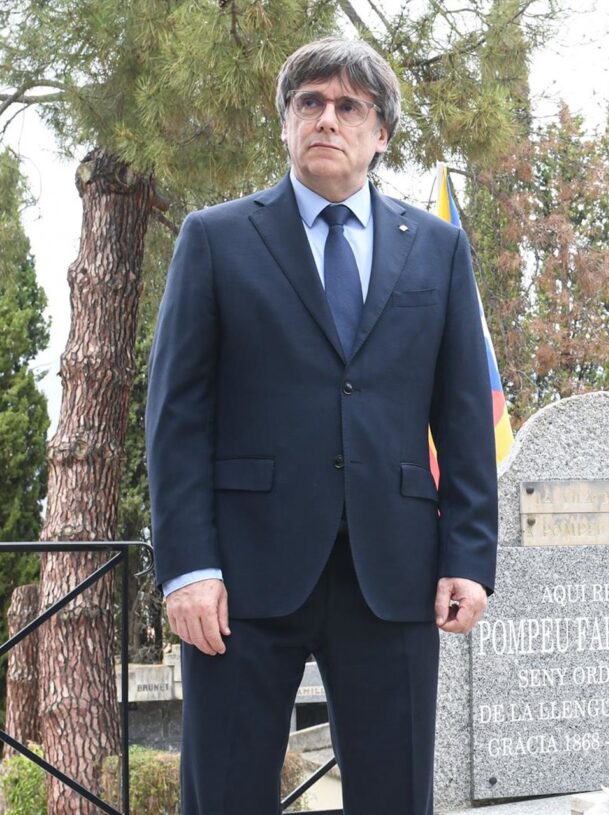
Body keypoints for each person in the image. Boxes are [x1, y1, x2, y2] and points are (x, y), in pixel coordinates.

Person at [145, 37, 498, 815]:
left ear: (381, 133)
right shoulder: (217, 239)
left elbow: (465, 415)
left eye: (348, 106)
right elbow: (176, 418)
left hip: (393, 574)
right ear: (285, 125)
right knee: (227, 795)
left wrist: (468, 555)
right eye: (309, 103)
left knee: (396, 796)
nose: (326, 118)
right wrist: (187, 566)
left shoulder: (437, 250)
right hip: (240, 577)